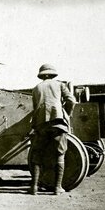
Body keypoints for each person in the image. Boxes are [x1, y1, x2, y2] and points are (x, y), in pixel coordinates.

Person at [29, 64, 76, 195]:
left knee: (37, 155)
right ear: (53, 74)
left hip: (41, 124)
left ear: (42, 75)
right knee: (60, 153)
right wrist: (66, 113)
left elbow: (35, 108)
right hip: (58, 123)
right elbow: (71, 100)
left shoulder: (36, 88)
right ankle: (57, 188)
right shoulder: (60, 85)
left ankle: (34, 188)